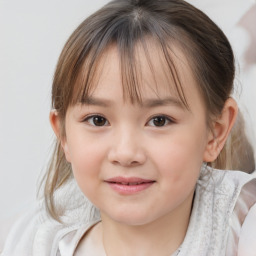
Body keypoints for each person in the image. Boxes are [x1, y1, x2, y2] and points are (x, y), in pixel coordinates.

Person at [2, 0, 256, 255]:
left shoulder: (242, 232)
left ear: (216, 131)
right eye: (98, 120)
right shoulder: (33, 241)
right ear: (64, 135)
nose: (125, 153)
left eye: (159, 120)